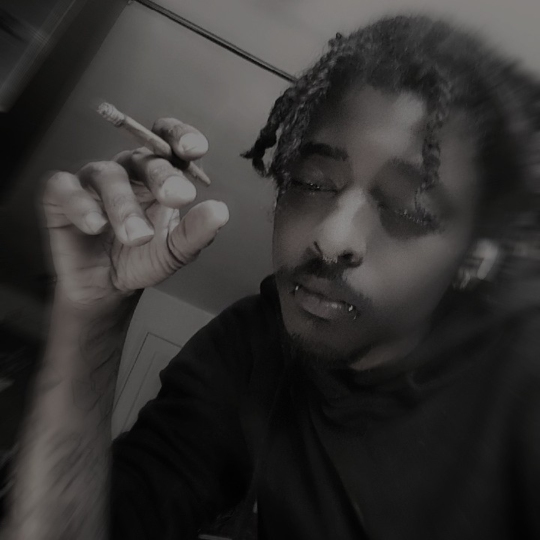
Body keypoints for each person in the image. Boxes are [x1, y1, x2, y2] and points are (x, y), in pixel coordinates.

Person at [2, 13, 540, 540]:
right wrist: (92, 311)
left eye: (407, 209)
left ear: (477, 257)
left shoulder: (520, 380)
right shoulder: (252, 347)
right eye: (313, 182)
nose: (332, 238)